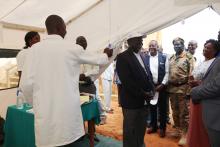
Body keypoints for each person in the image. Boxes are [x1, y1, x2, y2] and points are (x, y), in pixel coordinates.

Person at [20, 15, 113, 147]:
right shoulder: (72, 48)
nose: (66, 31)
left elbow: (26, 85)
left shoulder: (33, 51)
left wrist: (36, 104)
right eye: (65, 27)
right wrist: (106, 54)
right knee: (68, 142)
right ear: (58, 27)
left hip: (45, 118)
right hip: (67, 119)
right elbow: (99, 60)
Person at [116, 32, 155, 147]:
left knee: (141, 128)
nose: (141, 42)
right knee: (130, 131)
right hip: (131, 103)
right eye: (137, 40)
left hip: (144, 102)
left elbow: (147, 75)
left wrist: (152, 88)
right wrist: (144, 94)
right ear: (129, 42)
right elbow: (128, 82)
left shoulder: (142, 55)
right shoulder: (122, 57)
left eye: (141, 40)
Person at [190, 39, 220, 147]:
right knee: (197, 125)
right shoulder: (201, 62)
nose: (205, 49)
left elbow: (215, 85)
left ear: (215, 51)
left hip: (204, 97)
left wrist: (196, 88)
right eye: (204, 47)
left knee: (203, 127)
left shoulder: (216, 61)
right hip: (199, 96)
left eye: (208, 48)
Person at [167, 37, 194, 146]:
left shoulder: (188, 57)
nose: (177, 46)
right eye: (175, 44)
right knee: (175, 111)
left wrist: (189, 90)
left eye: (179, 44)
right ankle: (178, 129)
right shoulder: (172, 58)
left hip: (183, 89)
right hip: (172, 89)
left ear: (183, 45)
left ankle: (185, 134)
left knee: (185, 113)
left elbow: (191, 74)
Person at [76, 35, 107, 125]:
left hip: (89, 87)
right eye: (79, 42)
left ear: (86, 43)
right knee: (81, 109)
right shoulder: (74, 56)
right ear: (76, 44)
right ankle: (82, 132)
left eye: (84, 42)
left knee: (91, 108)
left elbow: (96, 69)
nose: (82, 44)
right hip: (78, 87)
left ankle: (92, 132)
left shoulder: (92, 55)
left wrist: (85, 75)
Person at [144, 40, 169, 138]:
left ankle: (162, 128)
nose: (151, 47)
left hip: (161, 87)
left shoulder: (163, 57)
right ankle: (153, 126)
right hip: (151, 87)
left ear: (157, 47)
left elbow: (167, 73)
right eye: (150, 46)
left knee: (162, 109)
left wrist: (162, 84)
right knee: (152, 108)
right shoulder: (146, 58)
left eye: (153, 46)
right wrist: (150, 86)